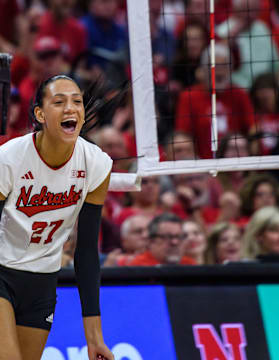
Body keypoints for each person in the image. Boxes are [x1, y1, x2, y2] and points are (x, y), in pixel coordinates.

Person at [0, 74, 118, 359]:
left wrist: (94, 337)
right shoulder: (10, 158)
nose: (70, 108)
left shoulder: (97, 164)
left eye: (77, 101)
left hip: (42, 281)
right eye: (59, 101)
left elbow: (87, 251)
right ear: (40, 114)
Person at [129, 213, 196, 266]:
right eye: (167, 237)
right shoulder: (138, 267)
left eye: (179, 237)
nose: (175, 242)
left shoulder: (189, 265)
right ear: (150, 241)